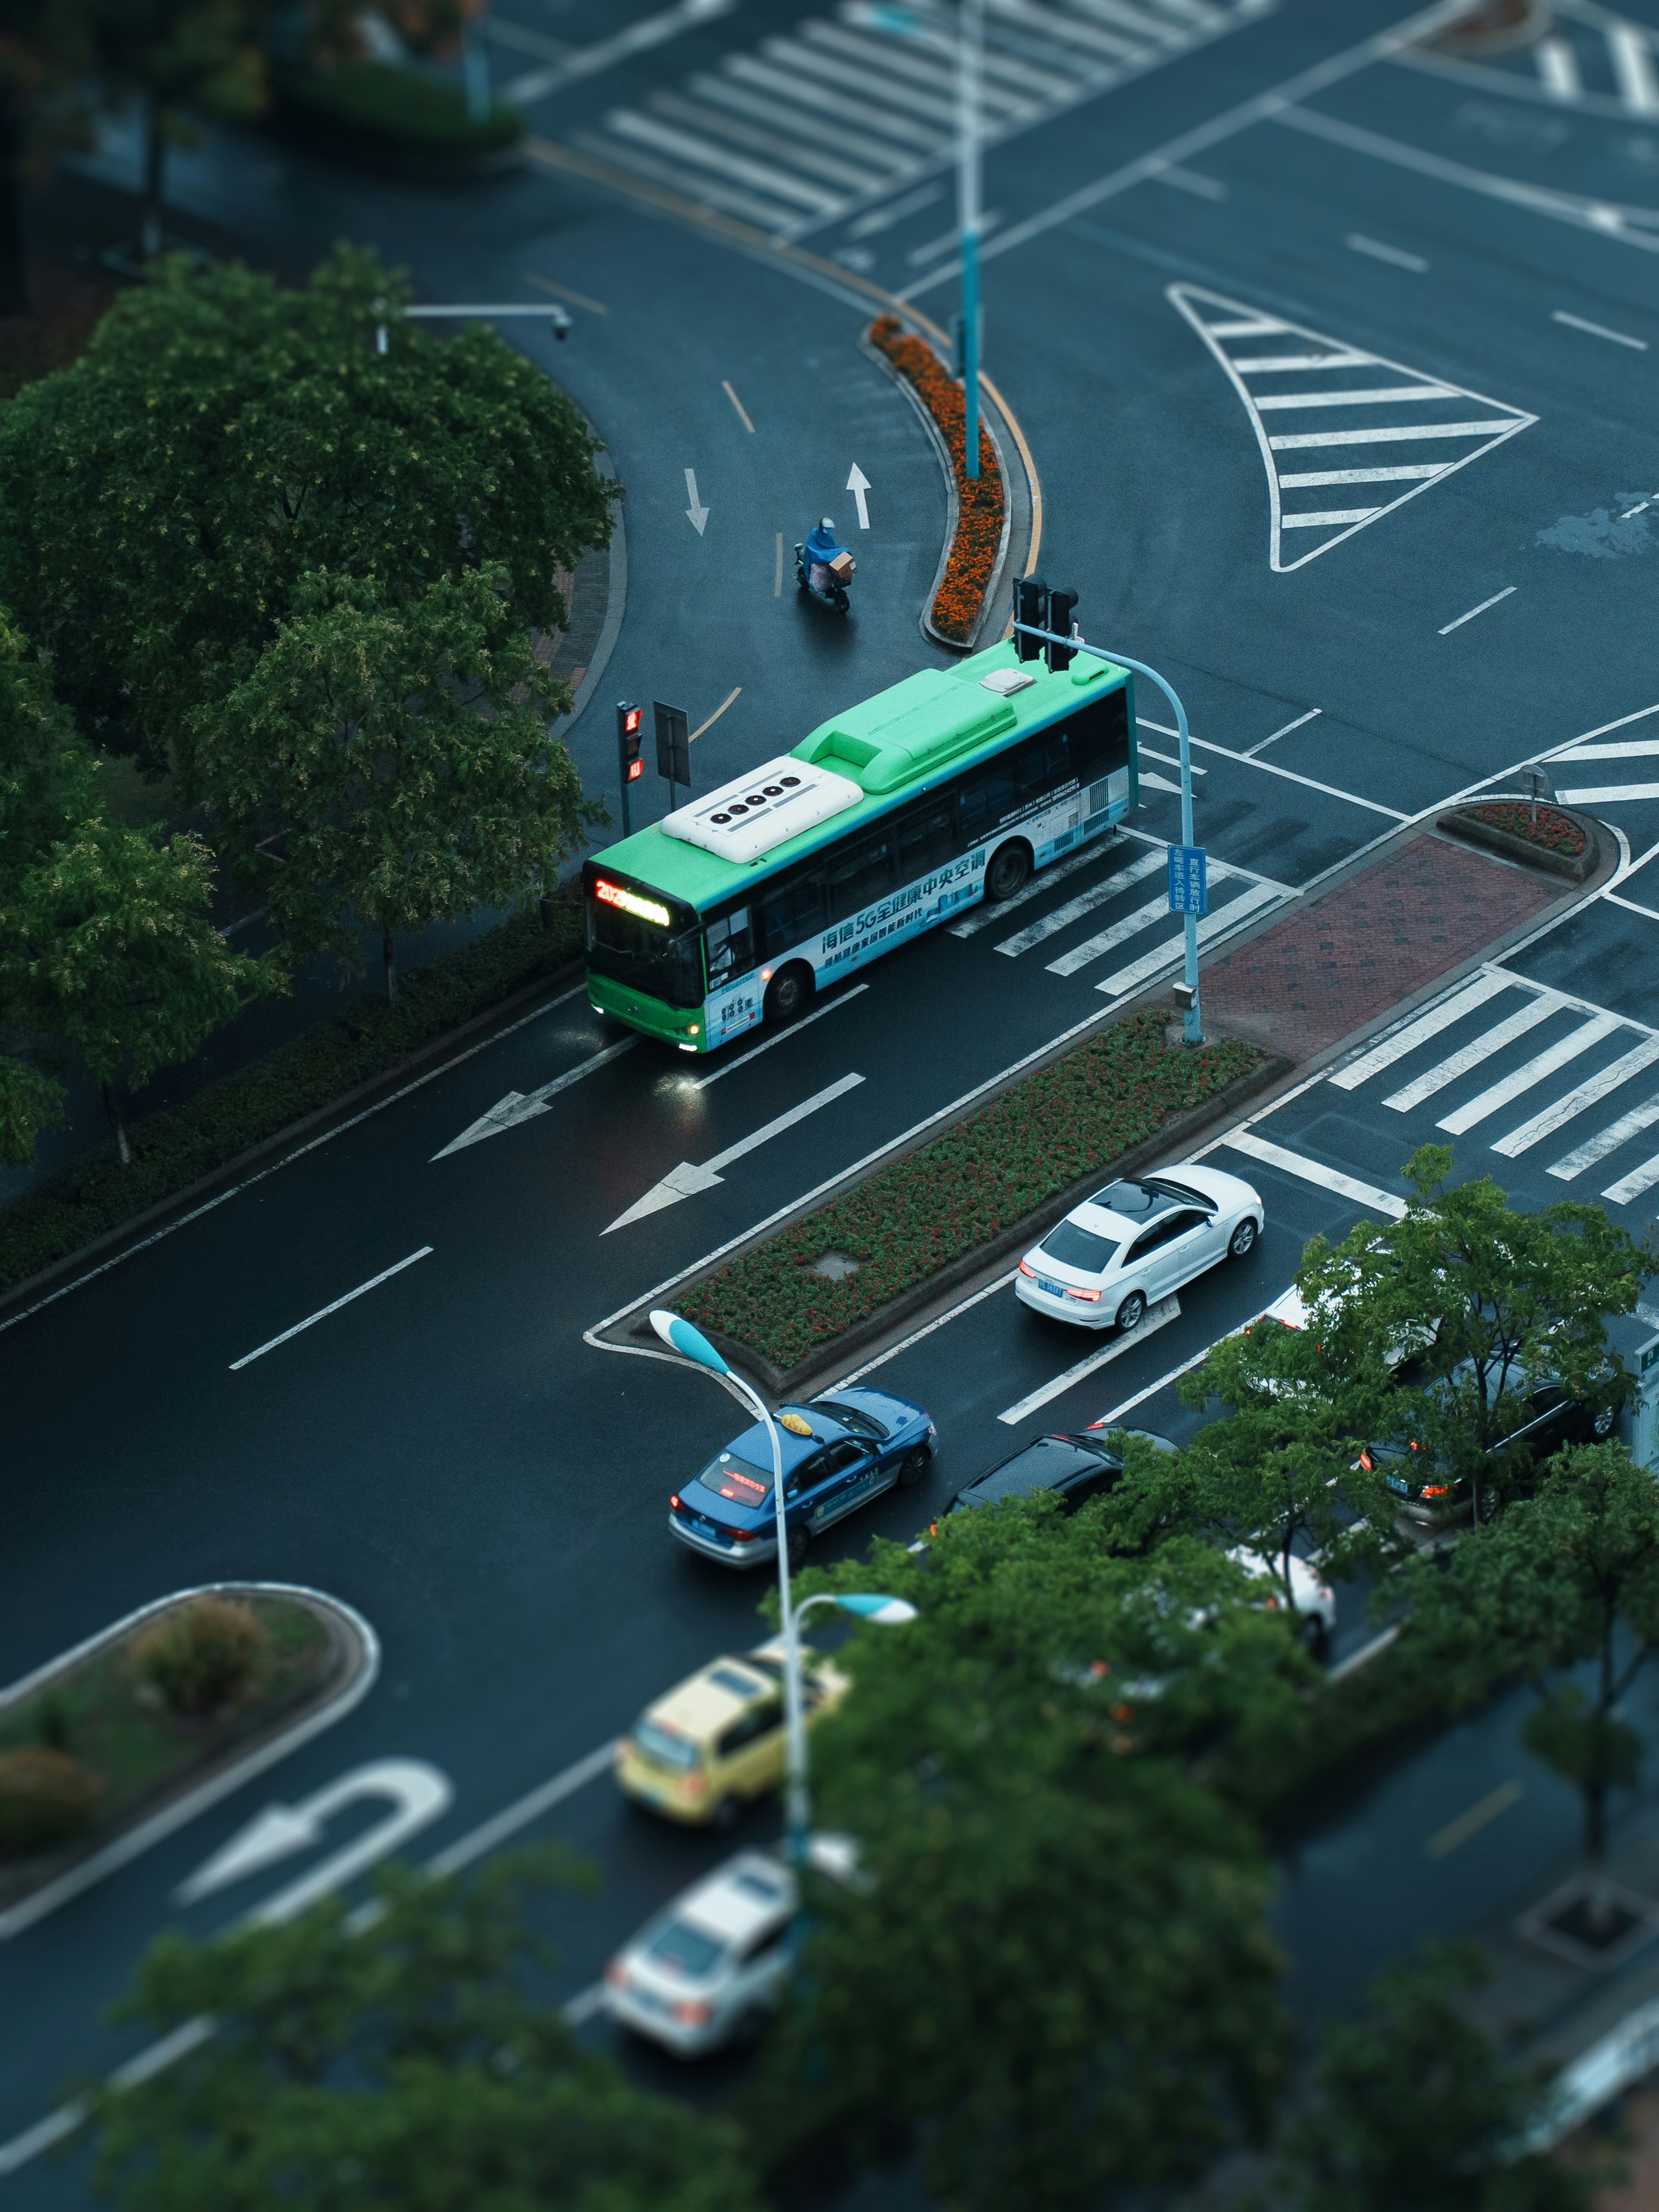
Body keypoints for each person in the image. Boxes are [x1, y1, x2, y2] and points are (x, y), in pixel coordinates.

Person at [804, 516, 849, 593]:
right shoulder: (814, 534)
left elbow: (831, 546)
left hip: (825, 556)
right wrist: (822, 556)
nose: (828, 531)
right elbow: (812, 548)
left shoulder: (828, 536)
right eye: (827, 529)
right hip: (815, 557)